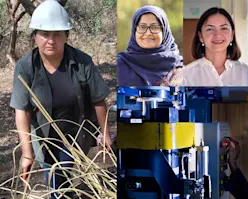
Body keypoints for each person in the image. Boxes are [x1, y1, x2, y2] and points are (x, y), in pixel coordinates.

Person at [10, 0, 112, 198]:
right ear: (35, 38)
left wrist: (105, 134)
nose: (51, 40)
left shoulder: (82, 62)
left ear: (67, 36)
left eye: (57, 34)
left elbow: (99, 100)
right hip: (44, 136)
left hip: (74, 131)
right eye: (45, 34)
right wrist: (26, 152)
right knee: (55, 176)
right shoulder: (25, 68)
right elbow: (21, 110)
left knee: (61, 171)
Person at [179, 7, 248, 86]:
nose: (217, 35)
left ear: (232, 35)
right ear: (201, 36)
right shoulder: (185, 75)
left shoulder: (246, 72)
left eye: (224, 28)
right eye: (210, 29)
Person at [117, 5, 183, 86]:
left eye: (155, 27)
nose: (148, 33)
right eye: (142, 27)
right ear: (135, 30)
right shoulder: (121, 64)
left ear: (164, 31)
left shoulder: (180, 69)